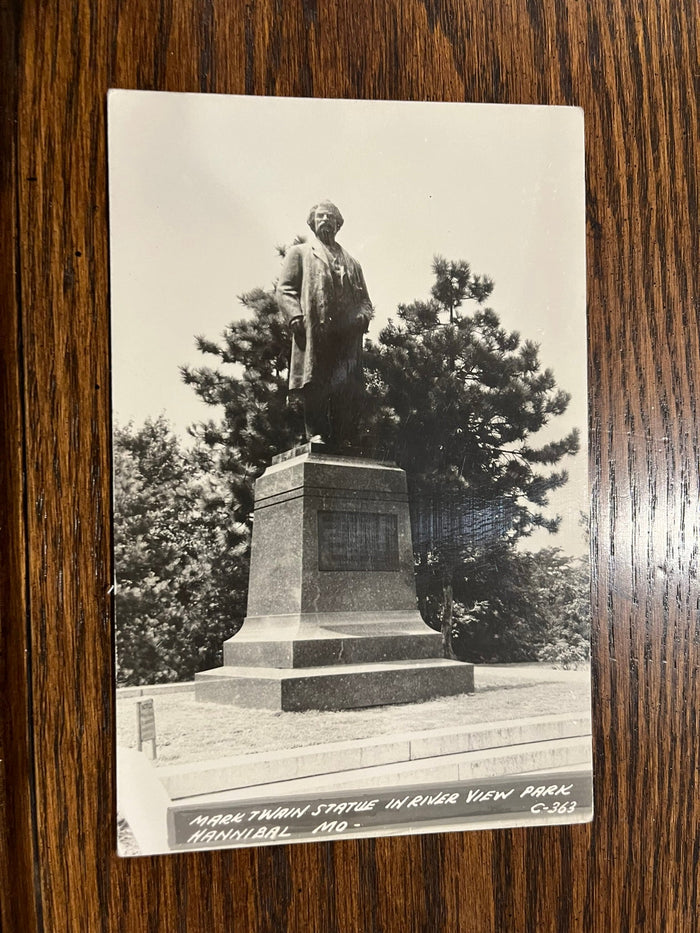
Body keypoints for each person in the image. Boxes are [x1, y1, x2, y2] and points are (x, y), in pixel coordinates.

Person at [276, 201, 373, 449]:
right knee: (316, 382)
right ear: (312, 221)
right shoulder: (300, 253)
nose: (326, 220)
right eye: (321, 216)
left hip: (346, 334)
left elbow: (365, 301)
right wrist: (294, 315)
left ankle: (342, 436)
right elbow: (285, 290)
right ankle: (316, 433)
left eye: (331, 217)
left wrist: (363, 316)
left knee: (344, 386)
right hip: (316, 329)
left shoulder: (353, 263)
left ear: (338, 224)